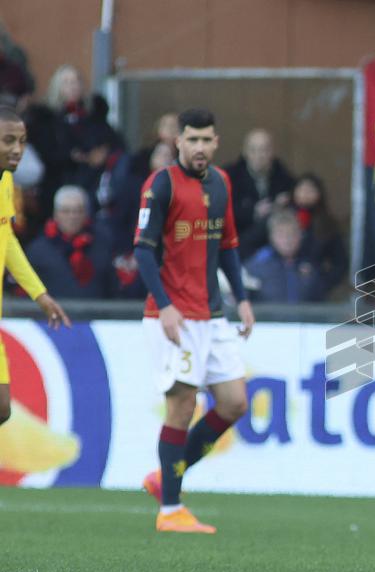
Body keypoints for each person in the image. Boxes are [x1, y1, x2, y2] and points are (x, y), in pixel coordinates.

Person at [135, 108, 254, 534]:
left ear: (216, 142)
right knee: (182, 405)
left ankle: (165, 475)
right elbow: (143, 250)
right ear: (177, 142)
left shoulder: (221, 182)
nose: (200, 147)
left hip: (214, 314)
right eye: (192, 140)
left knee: (234, 402)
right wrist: (164, 304)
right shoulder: (161, 184)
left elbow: (229, 246)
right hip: (173, 315)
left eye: (207, 140)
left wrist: (241, 299)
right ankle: (170, 509)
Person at [0, 106, 71, 424]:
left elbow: (8, 240)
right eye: (8, 141)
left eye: (22, 141)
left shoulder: (5, 183)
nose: (17, 150)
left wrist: (39, 294)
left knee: (2, 408)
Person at [25, 185, 113, 299]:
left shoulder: (102, 246)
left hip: (97, 314)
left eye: (78, 211)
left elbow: (112, 288)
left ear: (86, 214)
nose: (72, 216)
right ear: (55, 214)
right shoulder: (37, 251)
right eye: (66, 211)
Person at [225, 129, 295, 259]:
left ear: (272, 152)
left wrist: (282, 205)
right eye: (253, 150)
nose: (259, 155)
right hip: (240, 243)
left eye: (264, 150)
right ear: (245, 152)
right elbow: (221, 212)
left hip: (277, 248)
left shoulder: (284, 176)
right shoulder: (230, 176)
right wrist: (253, 211)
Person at [245, 206, 319, 303]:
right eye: (281, 235)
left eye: (292, 234)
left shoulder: (310, 266)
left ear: (300, 236)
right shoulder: (256, 266)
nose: (287, 240)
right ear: (271, 237)